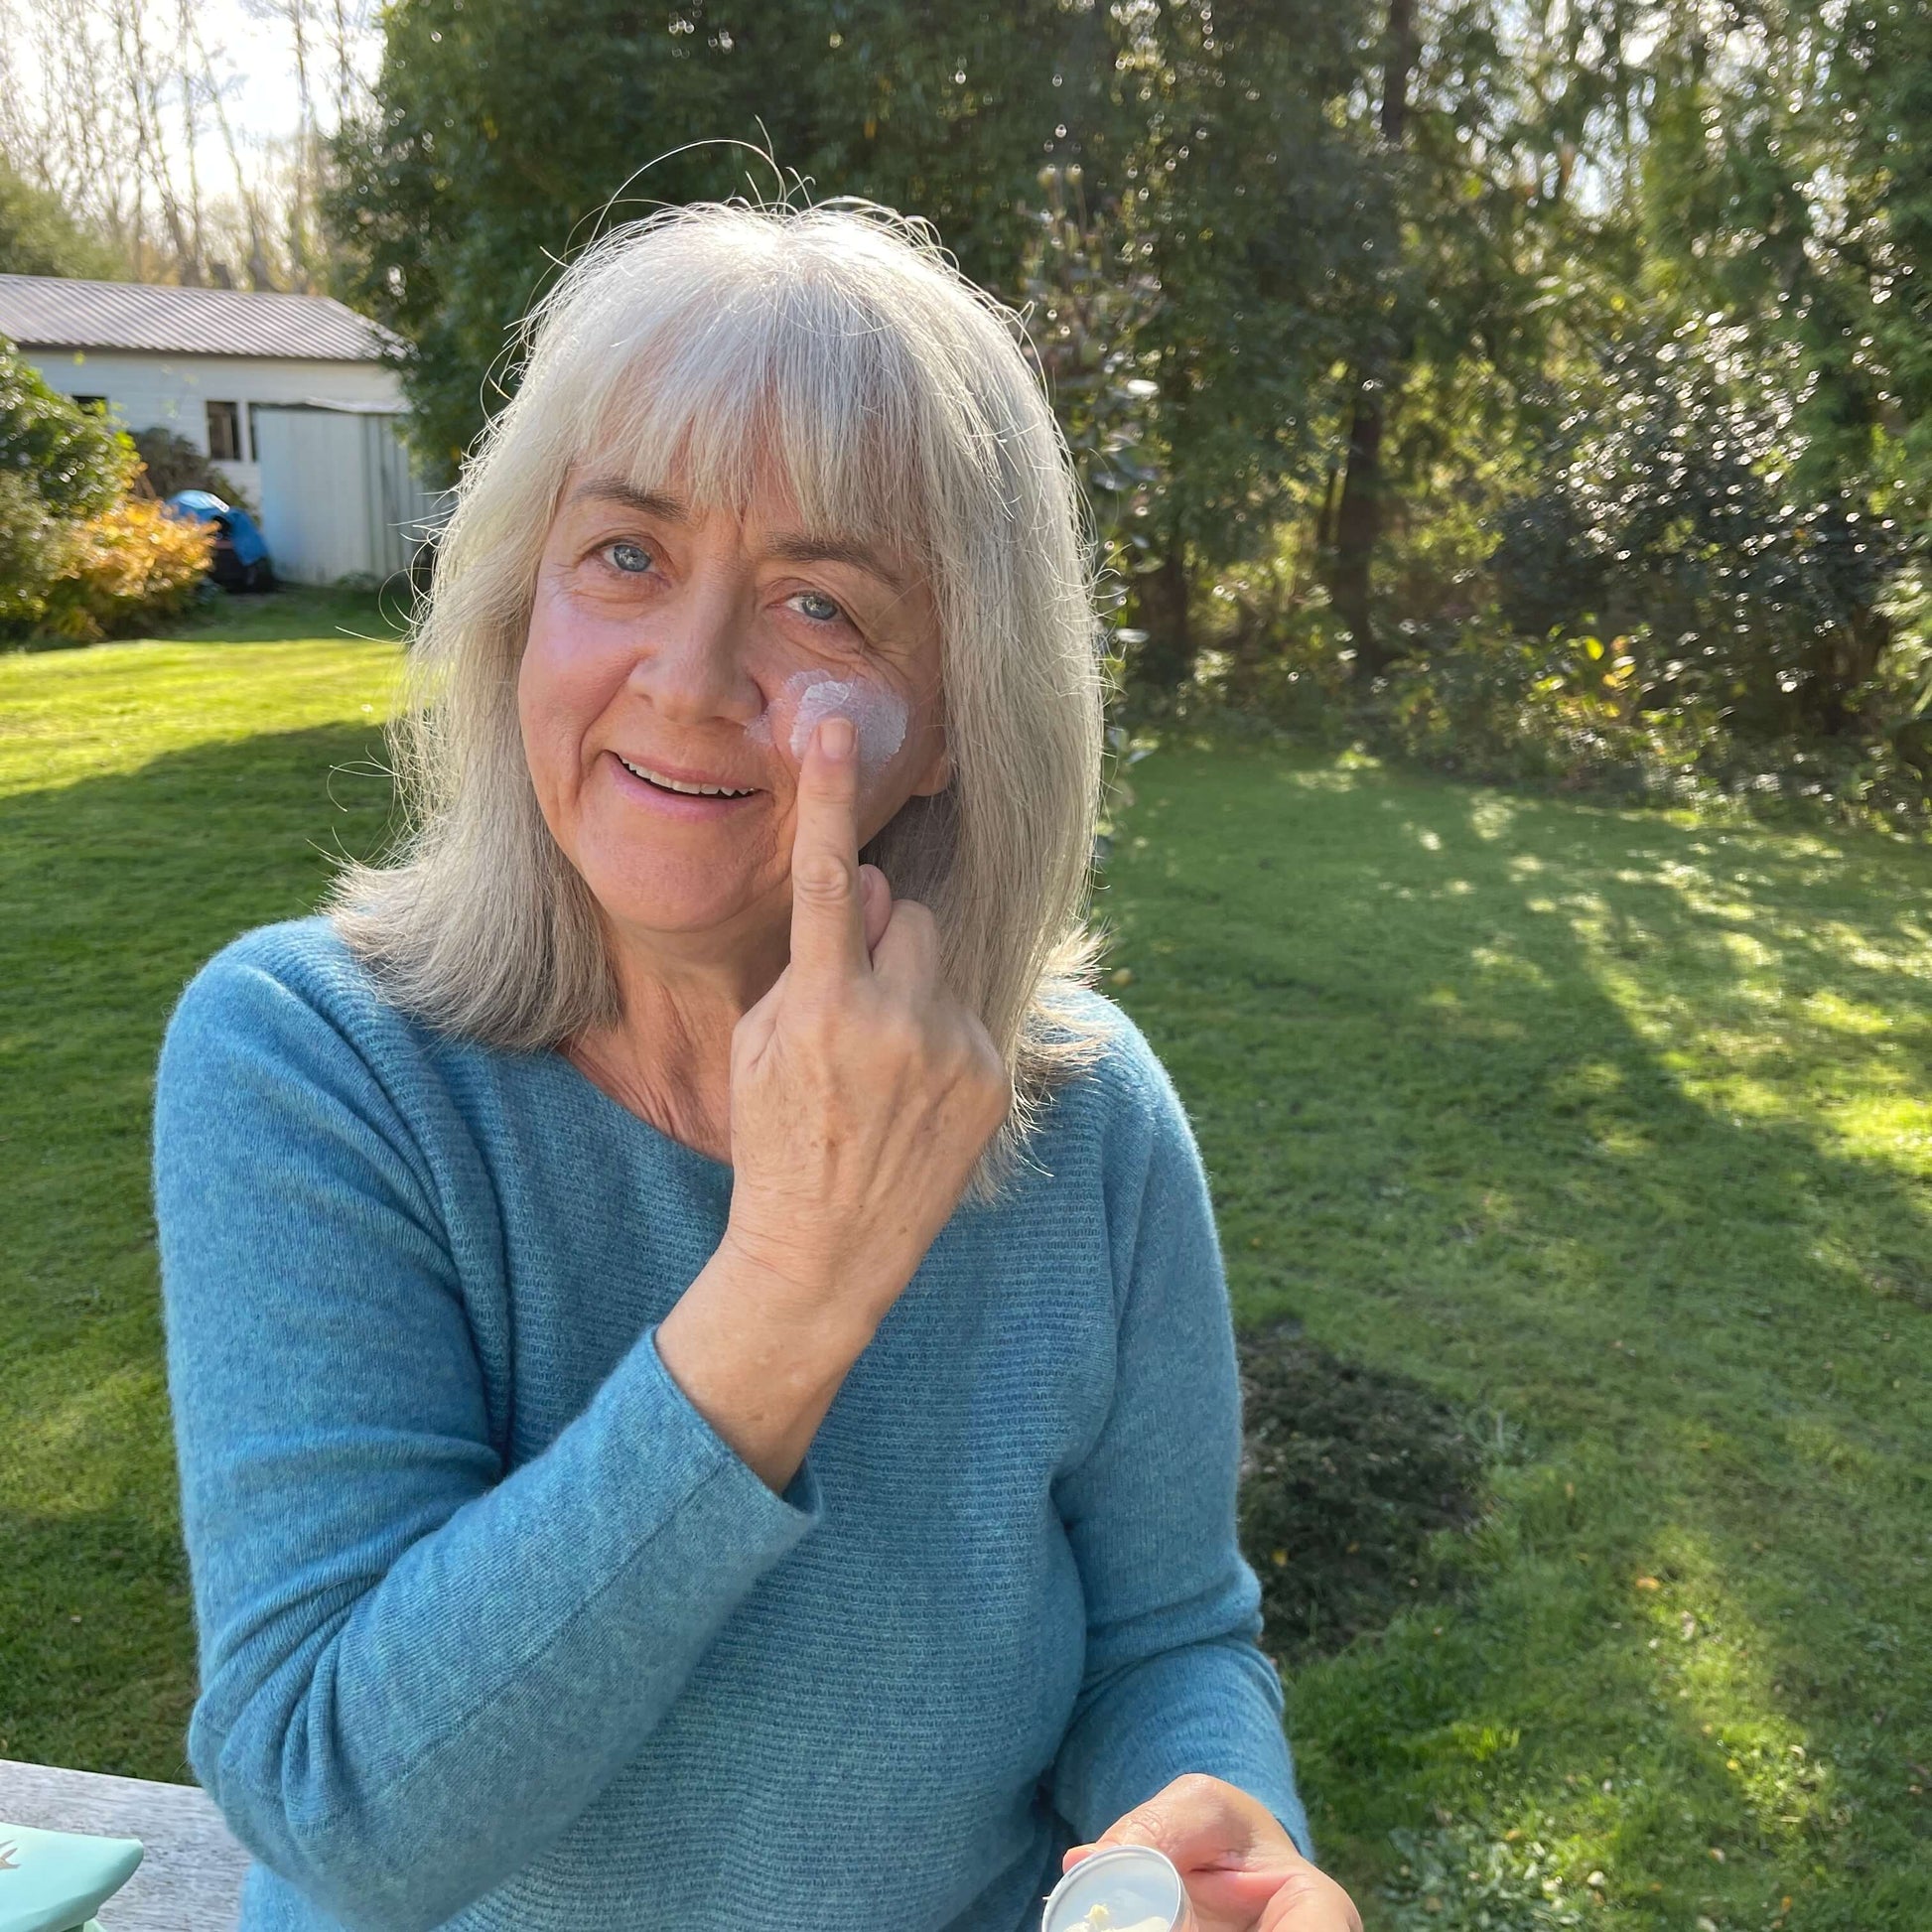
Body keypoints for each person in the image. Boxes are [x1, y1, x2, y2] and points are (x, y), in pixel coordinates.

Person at [153, 199, 1362, 1932]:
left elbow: (1166, 1636)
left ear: (950, 714)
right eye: (625, 555)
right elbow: (336, 1800)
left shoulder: (1081, 1115)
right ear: (518, 609)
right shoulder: (317, 1064)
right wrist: (793, 1283)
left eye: (817, 600)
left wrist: (1223, 1821)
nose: (691, 675)